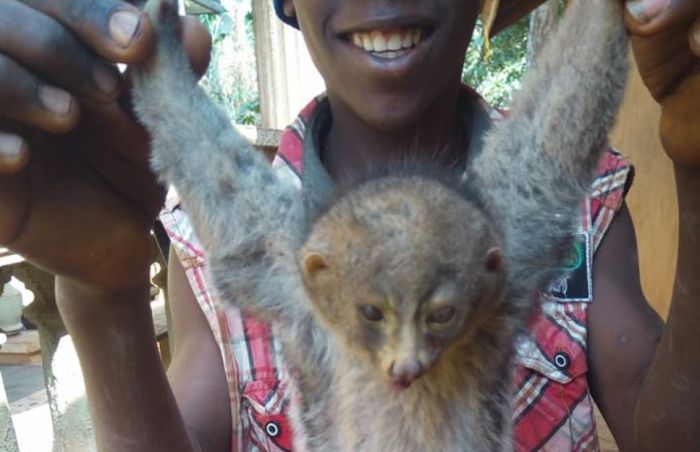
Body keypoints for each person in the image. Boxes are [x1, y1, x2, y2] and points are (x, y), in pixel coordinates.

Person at [0, 0, 697, 451]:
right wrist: (100, 299)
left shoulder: (531, 238)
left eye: (440, 313)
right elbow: (218, 179)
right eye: (374, 316)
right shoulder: (302, 270)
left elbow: (558, 135)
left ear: (490, 276)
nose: (405, 362)